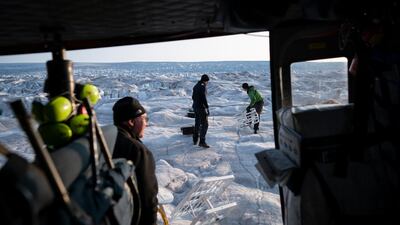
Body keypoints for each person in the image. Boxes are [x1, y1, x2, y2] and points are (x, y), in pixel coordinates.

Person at [112, 96, 158, 225]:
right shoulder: (137, 151)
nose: (146, 124)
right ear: (131, 122)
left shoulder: (105, 140)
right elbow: (147, 198)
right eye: (144, 119)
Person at [192, 74, 210, 148]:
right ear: (205, 80)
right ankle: (202, 141)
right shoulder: (202, 87)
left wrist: (196, 103)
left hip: (195, 107)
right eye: (207, 81)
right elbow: (203, 98)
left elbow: (193, 97)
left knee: (197, 122)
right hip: (200, 108)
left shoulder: (196, 85)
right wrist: (206, 106)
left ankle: (195, 138)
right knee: (205, 124)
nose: (207, 83)